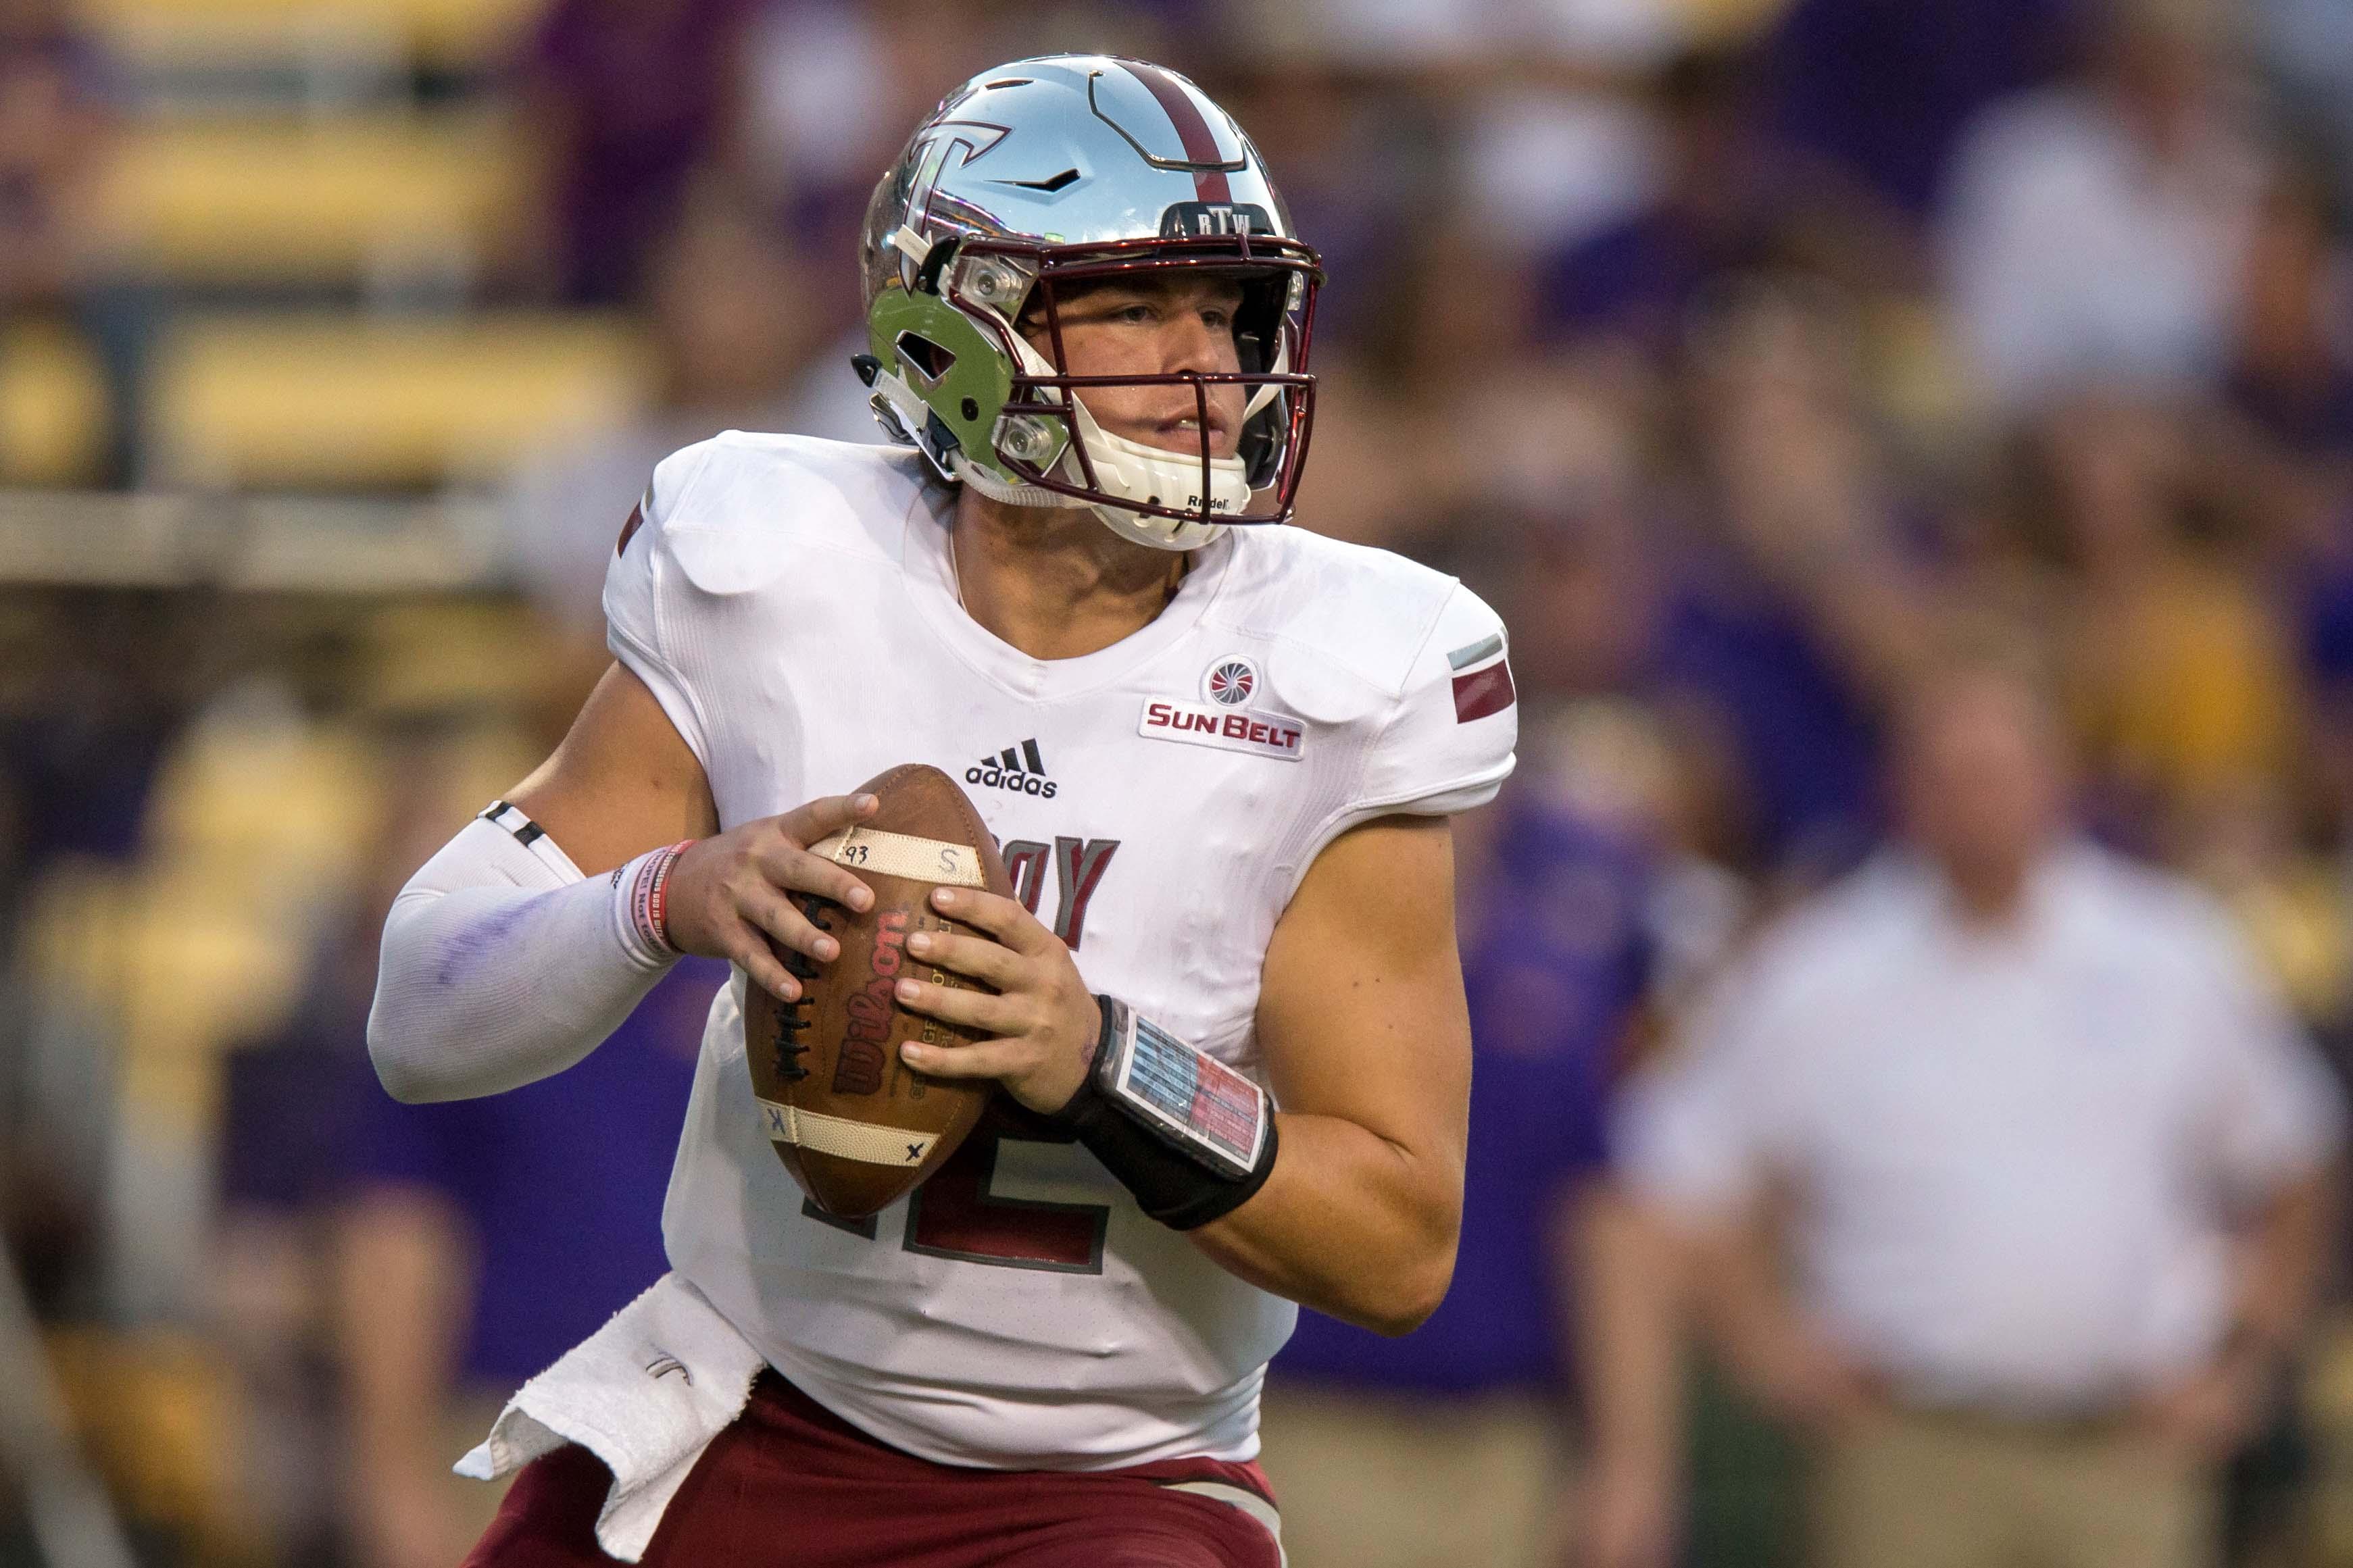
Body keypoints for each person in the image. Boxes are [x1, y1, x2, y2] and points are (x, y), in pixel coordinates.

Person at [364, 55, 1517, 1567]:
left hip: (1107, 1491)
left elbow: (1400, 1237)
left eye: (1229, 310)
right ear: (953, 323)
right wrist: (669, 896)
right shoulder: (774, 569)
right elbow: (421, 1014)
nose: (1209, 363)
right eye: (1134, 305)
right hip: (749, 1405)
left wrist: (1098, 1064)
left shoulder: (1335, 674)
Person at [1615, 655, 2342, 1568]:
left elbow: (2294, 1160)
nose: (1974, 801)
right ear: (1901, 790)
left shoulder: (2167, 952)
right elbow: (1679, 1165)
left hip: (2124, 1449)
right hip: (1909, 1449)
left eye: (1996, 771)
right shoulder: (1822, 969)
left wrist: (2242, 1365)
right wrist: (1767, 1345)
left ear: (2057, 777)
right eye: (1947, 775)